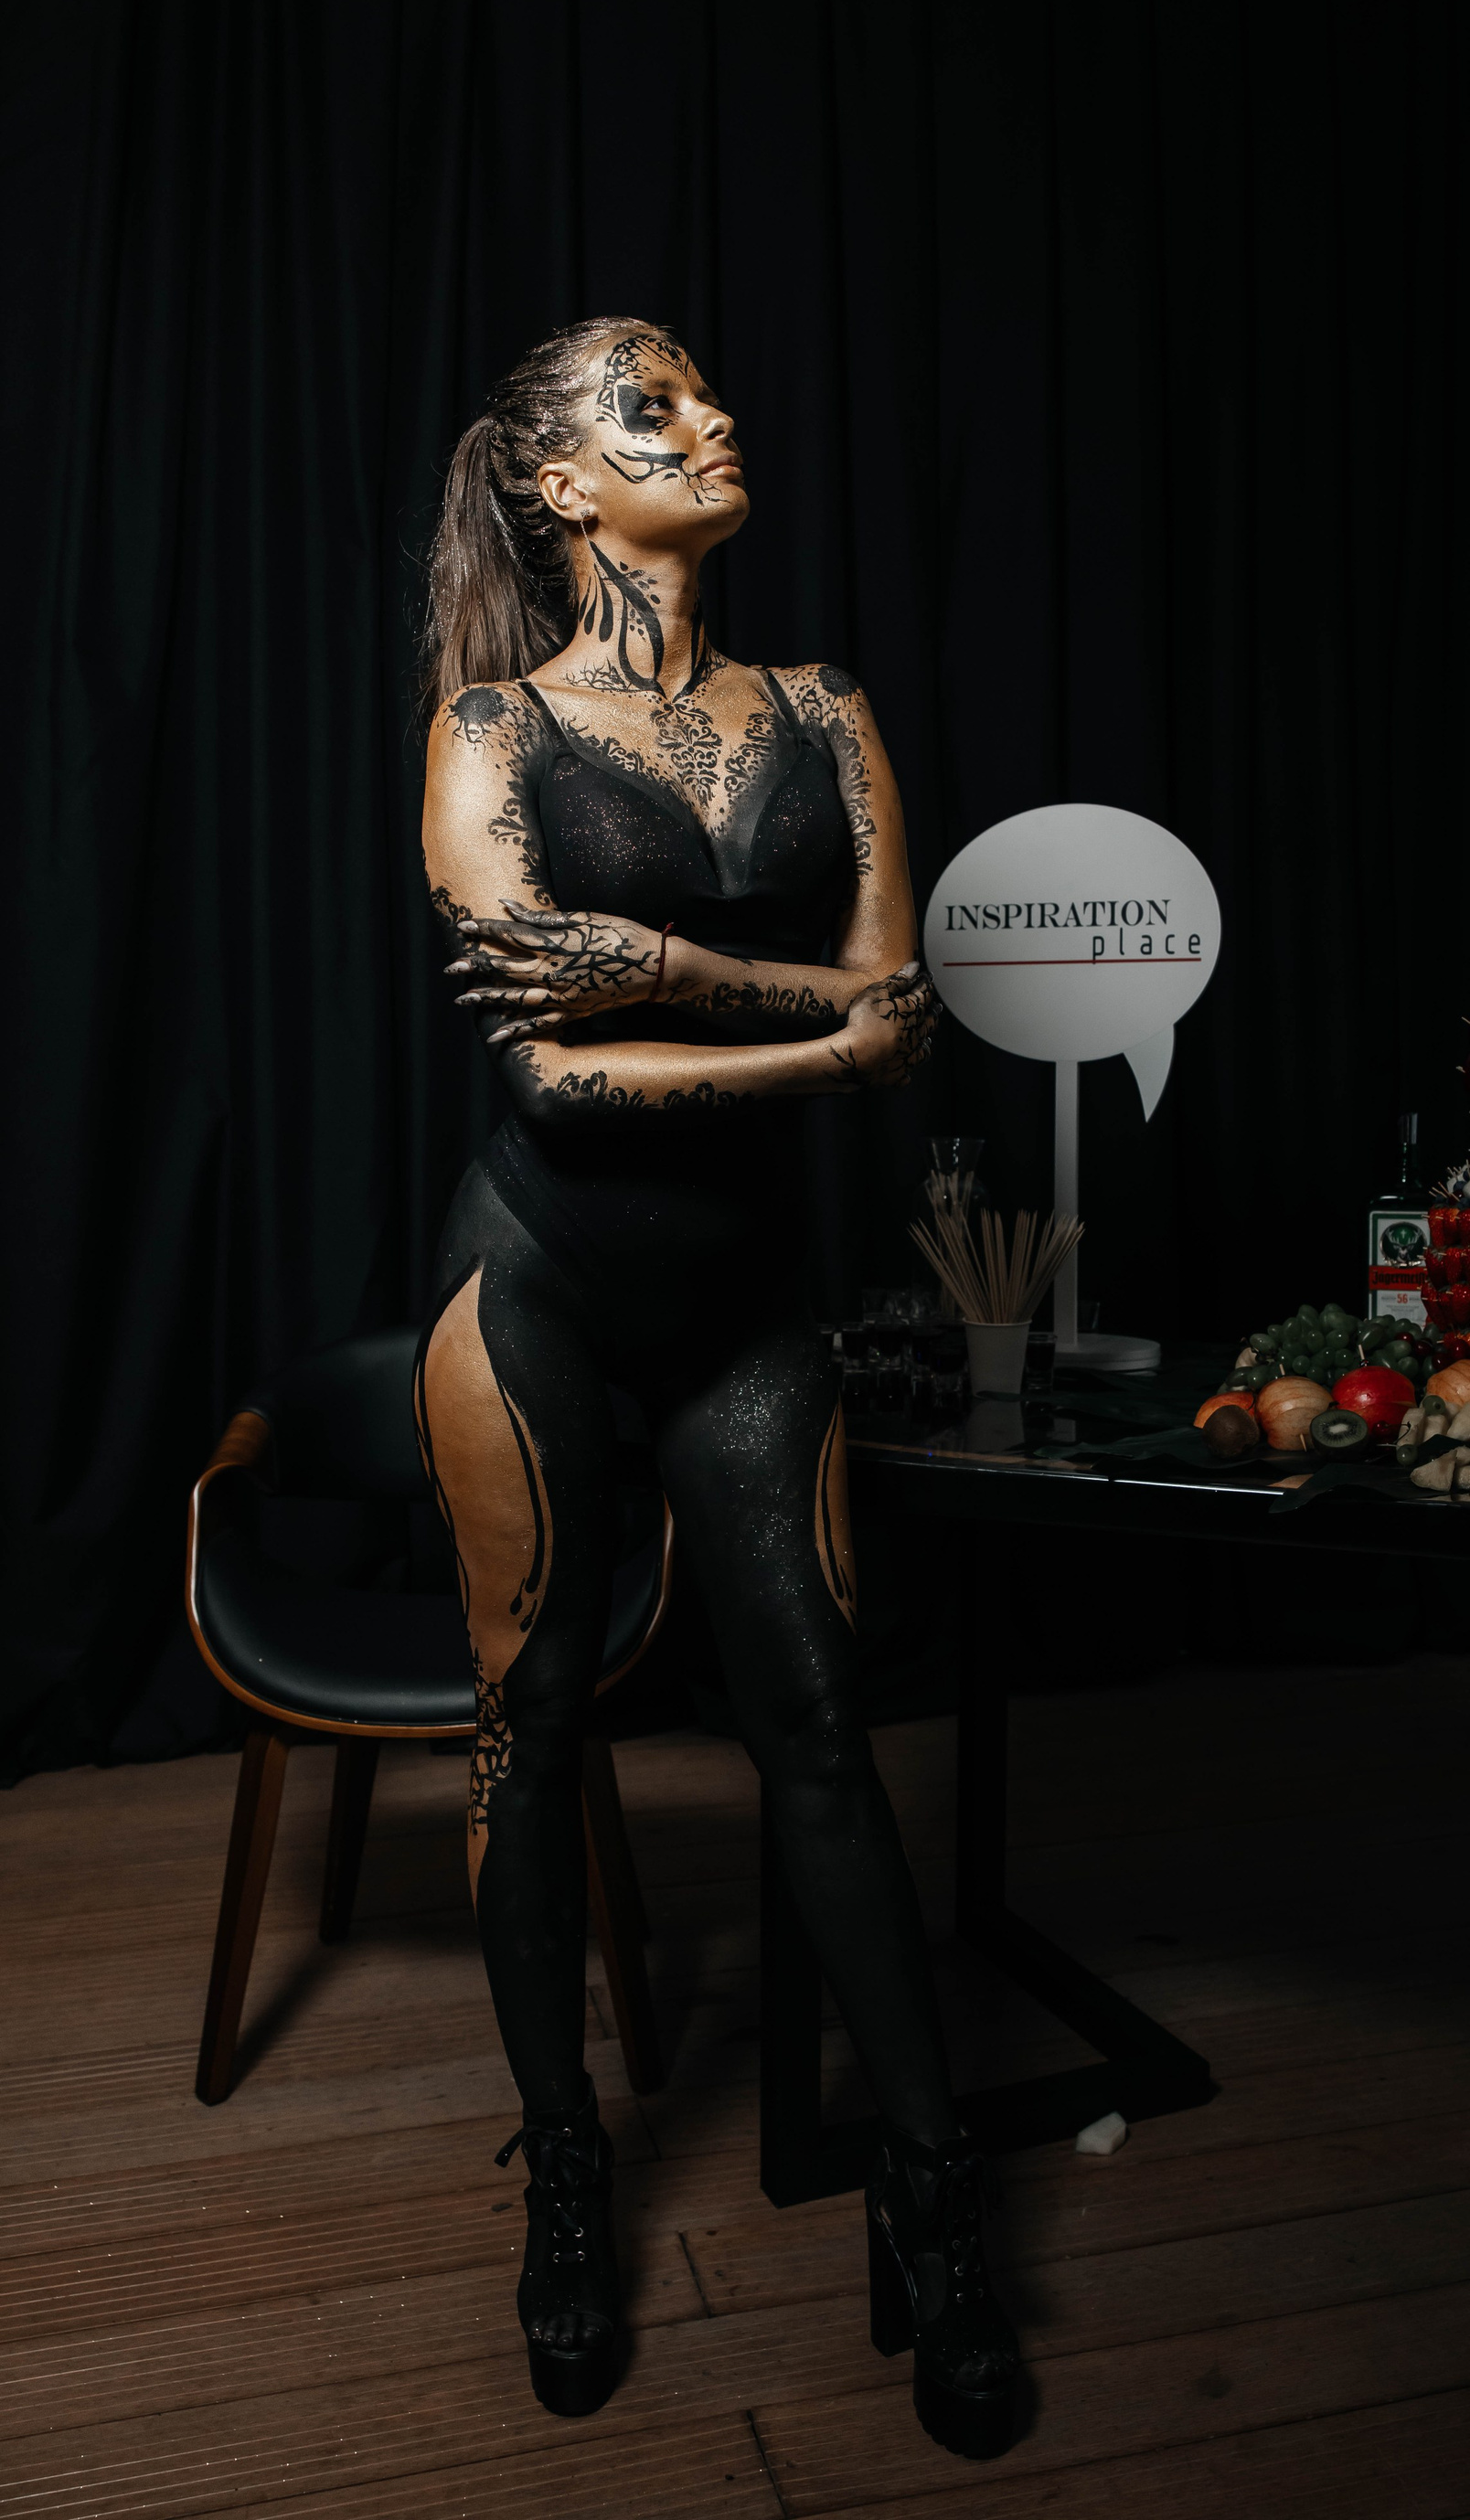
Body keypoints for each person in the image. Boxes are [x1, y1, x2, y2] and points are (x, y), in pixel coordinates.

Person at [415, 319, 1020, 2459]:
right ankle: (566, 2172)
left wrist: (666, 968)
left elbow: (900, 1009)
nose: (712, 420)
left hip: (751, 1297)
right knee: (532, 1723)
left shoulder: (827, 709)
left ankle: (933, 2196)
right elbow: (556, 1083)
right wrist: (815, 1037)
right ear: (562, 485)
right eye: (650, 408)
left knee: (823, 1731)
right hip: (540, 1285)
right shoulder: (489, 733)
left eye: (706, 393)